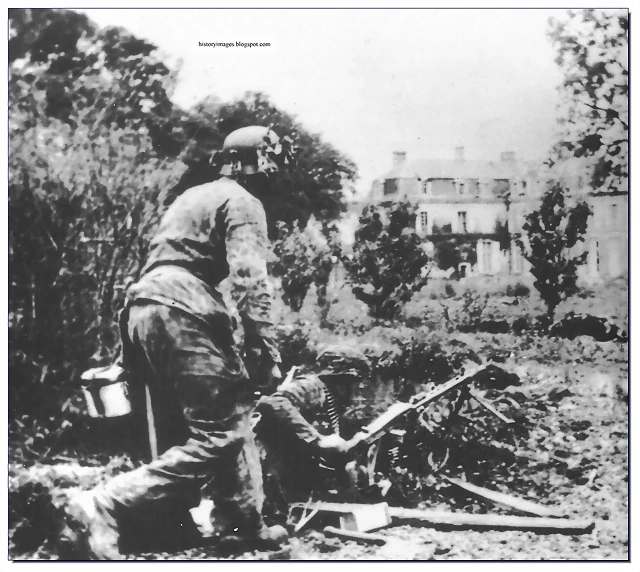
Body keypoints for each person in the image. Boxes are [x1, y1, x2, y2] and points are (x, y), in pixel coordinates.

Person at [58, 126, 292, 559]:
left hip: (142, 309)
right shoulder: (243, 201)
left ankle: (242, 525)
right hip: (181, 308)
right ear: (259, 162)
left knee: (203, 422)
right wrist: (266, 351)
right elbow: (248, 277)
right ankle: (103, 502)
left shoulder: (191, 197)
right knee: (222, 429)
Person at [254, 345, 371, 522]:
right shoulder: (313, 386)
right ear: (344, 378)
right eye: (358, 380)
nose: (360, 387)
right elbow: (273, 402)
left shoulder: (329, 399)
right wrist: (317, 440)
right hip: (268, 467)